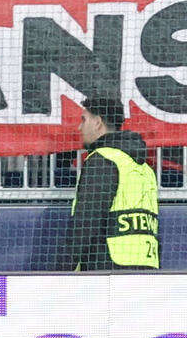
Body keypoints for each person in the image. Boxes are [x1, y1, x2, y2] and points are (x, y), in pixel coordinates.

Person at [65, 93, 158, 272]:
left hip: (107, 268)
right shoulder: (144, 167)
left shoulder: (102, 159)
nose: (79, 127)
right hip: (147, 266)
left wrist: (60, 271)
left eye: (84, 120)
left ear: (98, 122)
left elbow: (85, 222)